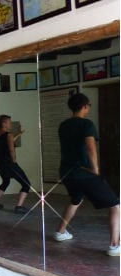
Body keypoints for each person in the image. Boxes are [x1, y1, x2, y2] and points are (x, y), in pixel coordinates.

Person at [53, 93, 120, 256]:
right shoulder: (87, 124)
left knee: (76, 199)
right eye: (89, 105)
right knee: (116, 206)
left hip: (67, 172)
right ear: (84, 106)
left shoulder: (64, 125)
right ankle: (114, 245)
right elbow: (90, 147)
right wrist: (95, 168)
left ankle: (61, 232)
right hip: (84, 173)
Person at [0, 114, 32, 214]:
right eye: (9, 122)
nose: (11, 124)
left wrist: (20, 133)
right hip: (9, 163)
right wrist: (14, 161)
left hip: (0, 162)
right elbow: (11, 149)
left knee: (5, 182)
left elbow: (9, 141)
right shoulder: (8, 135)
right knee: (26, 184)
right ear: (4, 123)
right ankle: (19, 206)